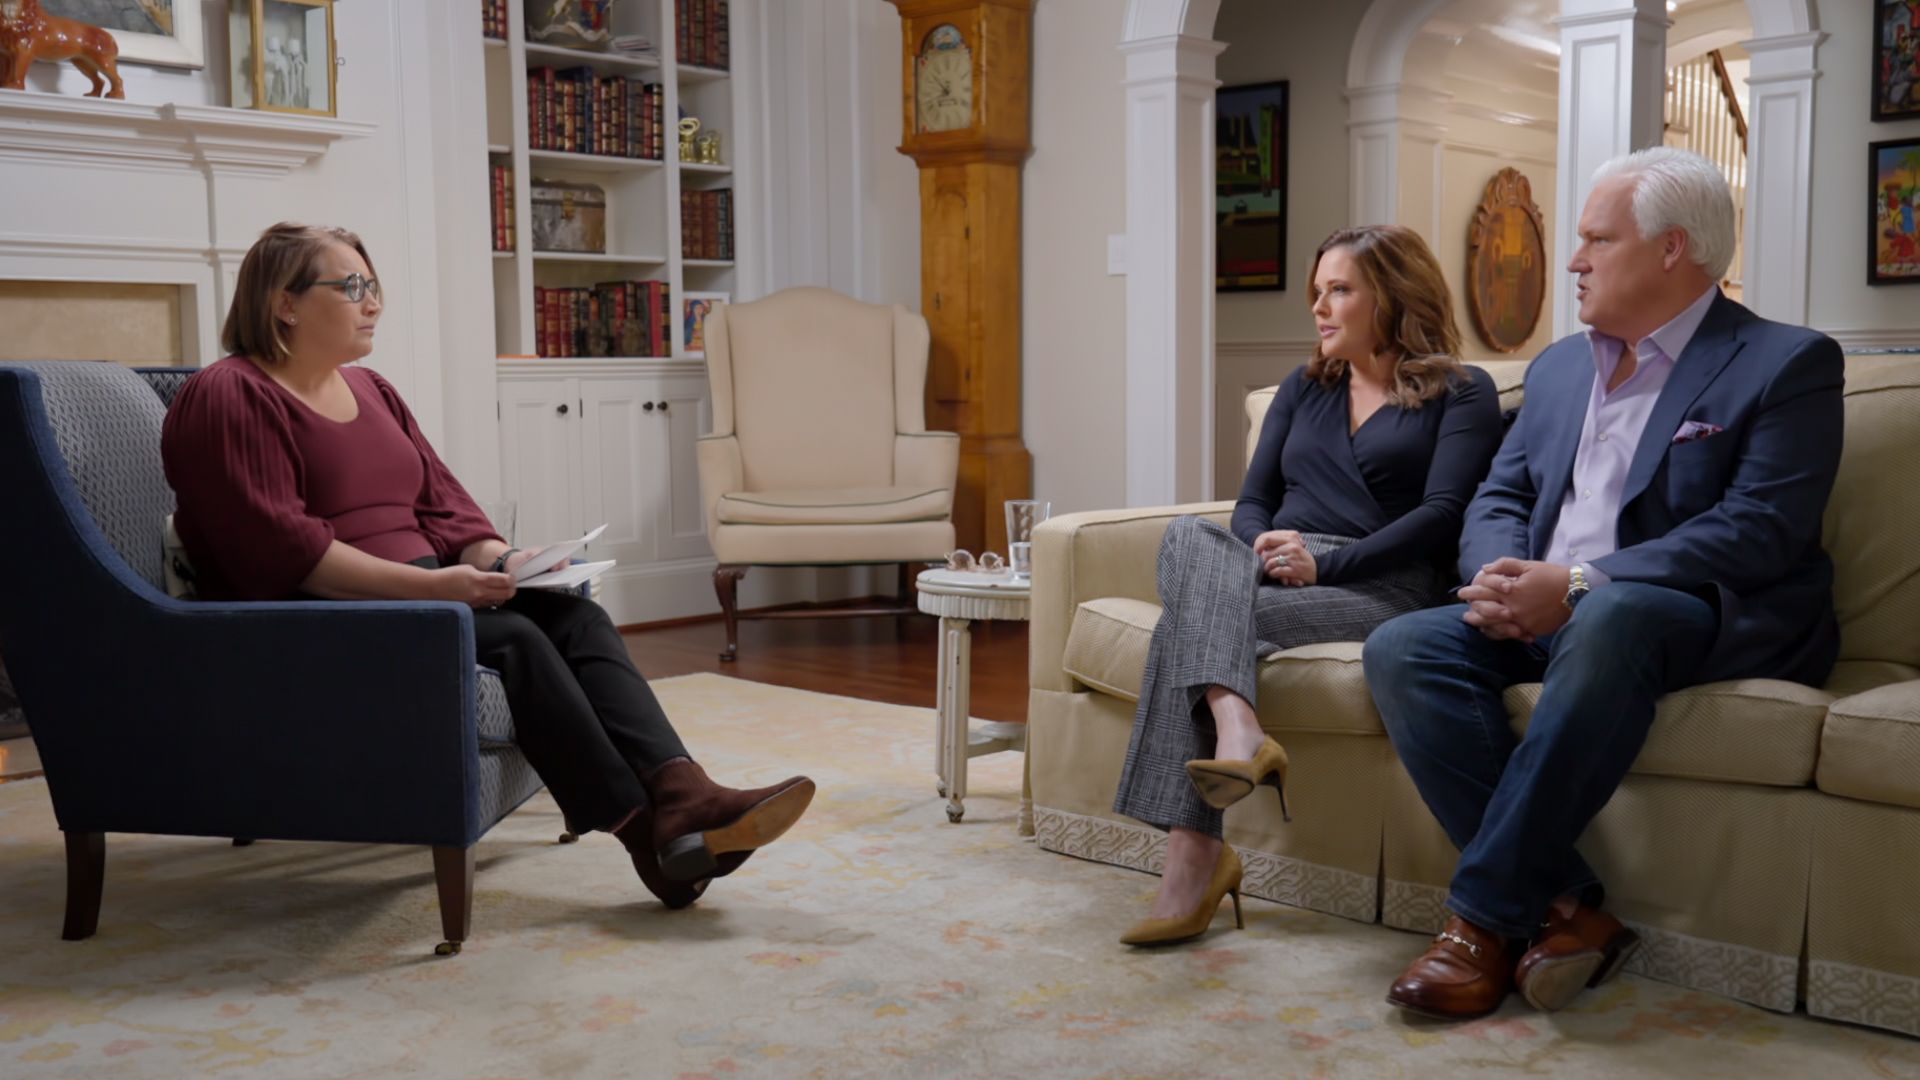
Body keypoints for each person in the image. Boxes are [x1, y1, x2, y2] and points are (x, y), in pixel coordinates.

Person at [161, 223, 815, 911]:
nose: (372, 302)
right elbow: (289, 553)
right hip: (318, 621)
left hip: (422, 599)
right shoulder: (230, 394)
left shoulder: (374, 391)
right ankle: (649, 835)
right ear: (283, 303)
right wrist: (435, 588)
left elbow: (444, 505)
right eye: (351, 287)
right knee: (518, 641)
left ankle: (684, 794)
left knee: (575, 616)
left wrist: (502, 559)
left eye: (374, 285)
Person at [1362, 147, 1845, 1019]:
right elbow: (1501, 494)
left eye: (1595, 239)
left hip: (1692, 610)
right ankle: (1569, 910)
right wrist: (1501, 579)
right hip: (1552, 606)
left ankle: (1479, 921)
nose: (1574, 260)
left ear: (1672, 250)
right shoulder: (1555, 368)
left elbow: (1759, 531)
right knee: (1403, 644)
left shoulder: (1786, 362)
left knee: (1612, 614)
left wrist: (1578, 581)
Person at [1110, 225, 1504, 947]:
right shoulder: (1304, 385)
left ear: (1392, 294)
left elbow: (1442, 515)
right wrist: (1259, 551)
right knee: (1187, 536)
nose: (1320, 308)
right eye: (1316, 292)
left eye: (1340, 290)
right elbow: (1253, 498)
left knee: (1182, 626)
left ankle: (1193, 861)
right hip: (1274, 570)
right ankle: (1239, 728)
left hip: (1379, 584)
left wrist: (1328, 565)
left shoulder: (1461, 392)